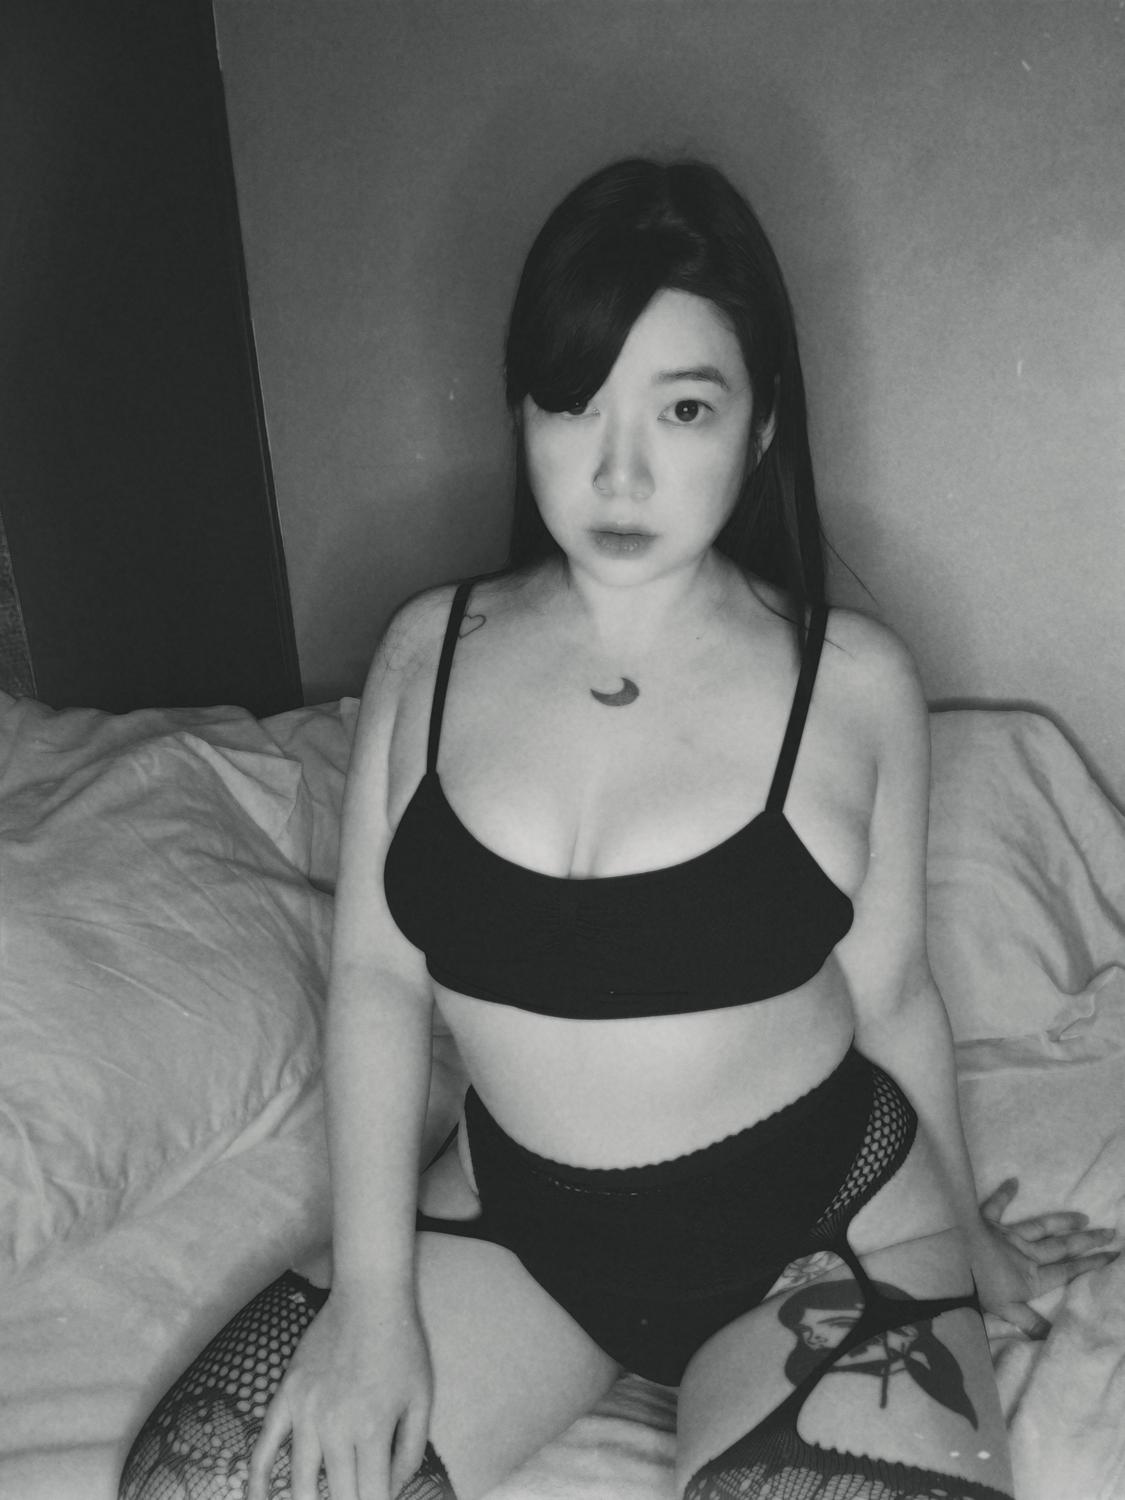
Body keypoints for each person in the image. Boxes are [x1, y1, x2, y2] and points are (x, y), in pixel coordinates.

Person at [118, 156, 1118, 1500]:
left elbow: (890, 992)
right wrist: (371, 1298)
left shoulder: (853, 683)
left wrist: (979, 1253)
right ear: (522, 413)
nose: (621, 468)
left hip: (819, 1235)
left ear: (761, 426)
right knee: (188, 1485)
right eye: (576, 404)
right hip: (519, 1235)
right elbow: (374, 979)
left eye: (684, 407)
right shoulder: (427, 652)